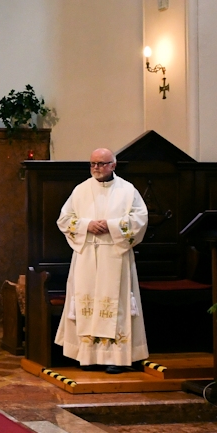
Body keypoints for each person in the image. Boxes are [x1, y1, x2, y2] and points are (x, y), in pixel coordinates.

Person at [55, 148, 149, 373]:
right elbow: (64, 219)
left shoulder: (127, 190)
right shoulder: (81, 190)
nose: (96, 168)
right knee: (88, 301)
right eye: (93, 164)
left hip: (115, 254)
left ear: (113, 165)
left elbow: (140, 219)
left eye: (101, 163)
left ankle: (116, 358)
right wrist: (87, 225)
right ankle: (87, 356)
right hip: (87, 254)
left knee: (115, 305)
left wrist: (112, 226)